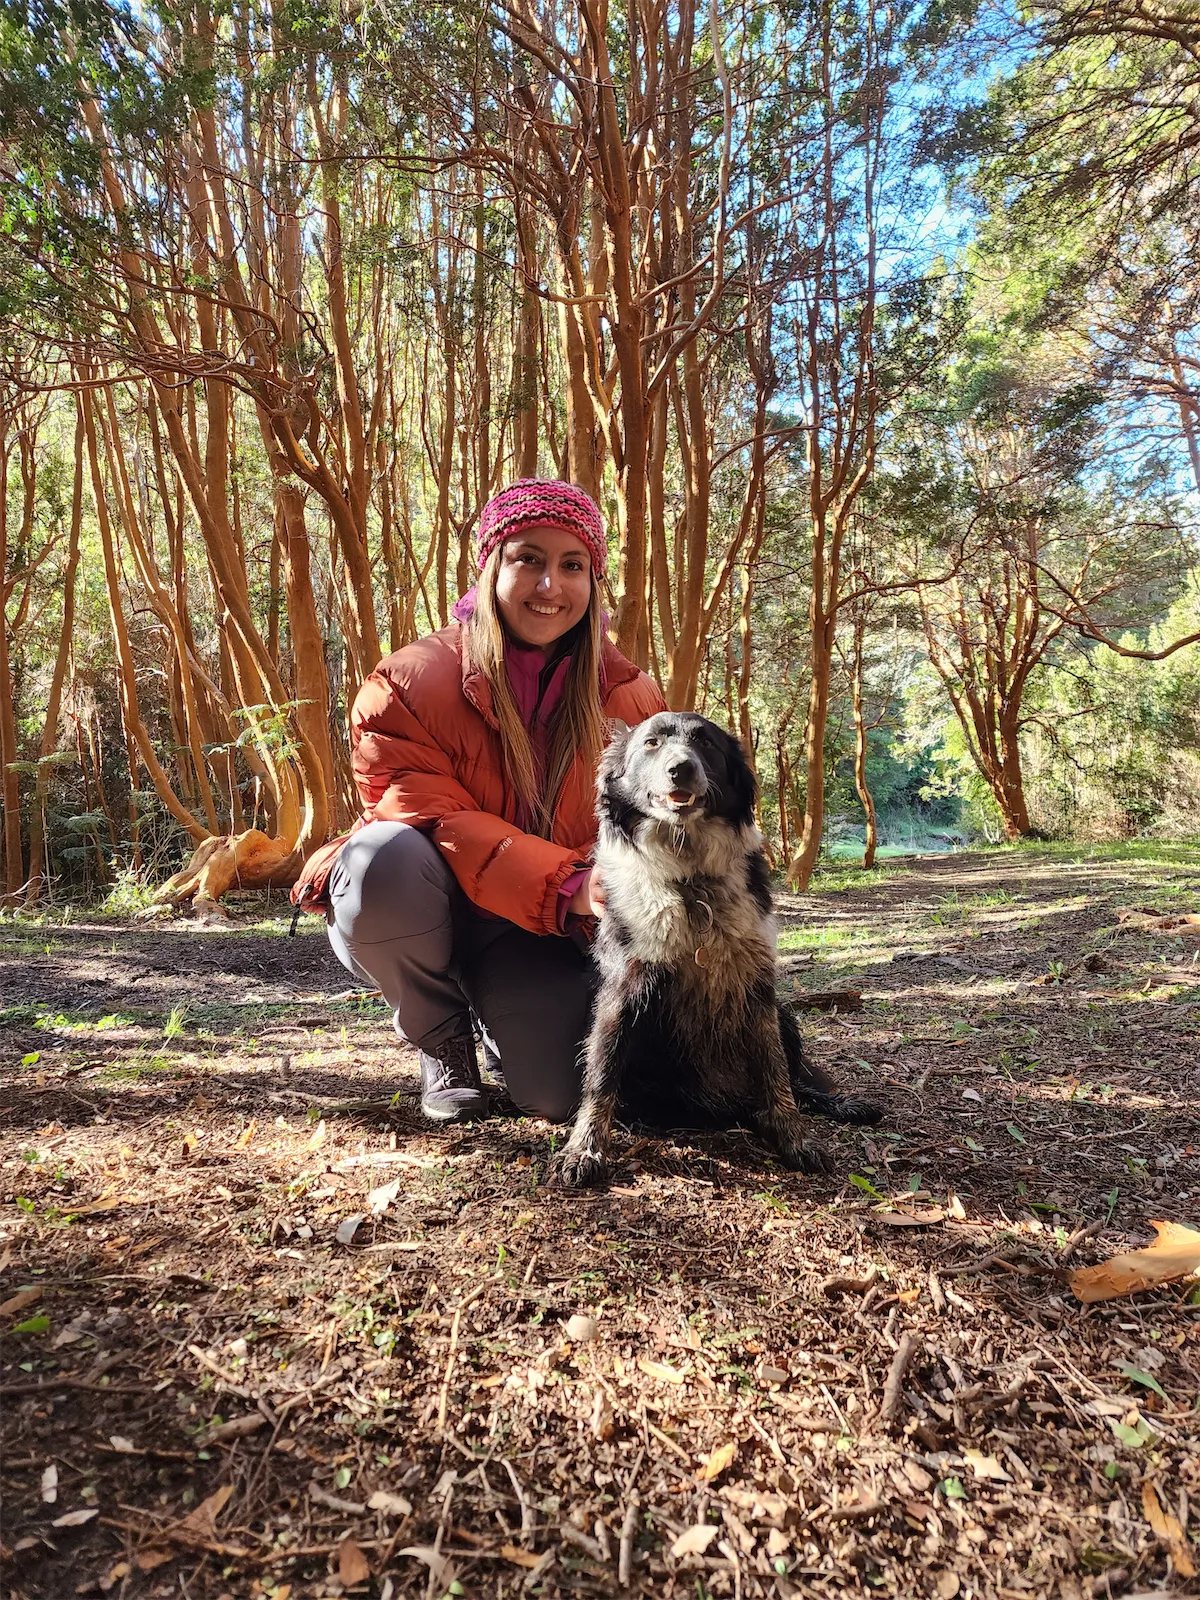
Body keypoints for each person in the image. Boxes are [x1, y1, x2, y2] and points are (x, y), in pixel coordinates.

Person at [291, 480, 666, 1124]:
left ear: (594, 581)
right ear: (492, 564)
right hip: (425, 900)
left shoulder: (631, 696)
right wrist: (569, 881)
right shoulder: (409, 681)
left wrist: (608, 880)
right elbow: (428, 812)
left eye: (572, 565)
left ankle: (503, 1020)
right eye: (529, 559)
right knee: (381, 858)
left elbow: (642, 822)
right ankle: (442, 1037)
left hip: (536, 922)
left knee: (558, 1097)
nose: (550, 585)